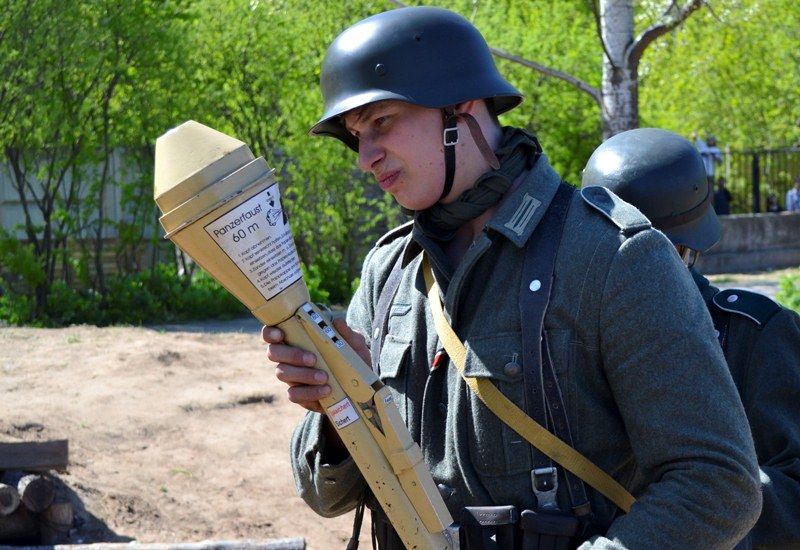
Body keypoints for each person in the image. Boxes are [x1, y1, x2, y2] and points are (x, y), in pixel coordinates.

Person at [264, 7, 761, 548]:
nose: (365, 157)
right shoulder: (388, 273)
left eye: (381, 121)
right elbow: (326, 497)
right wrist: (342, 407)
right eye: (356, 135)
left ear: (460, 106)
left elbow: (718, 483)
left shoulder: (612, 256)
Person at [583, 127, 800, 549]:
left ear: (684, 251)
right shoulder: (571, 335)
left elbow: (795, 485)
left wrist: (696, 512)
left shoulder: (752, 334)